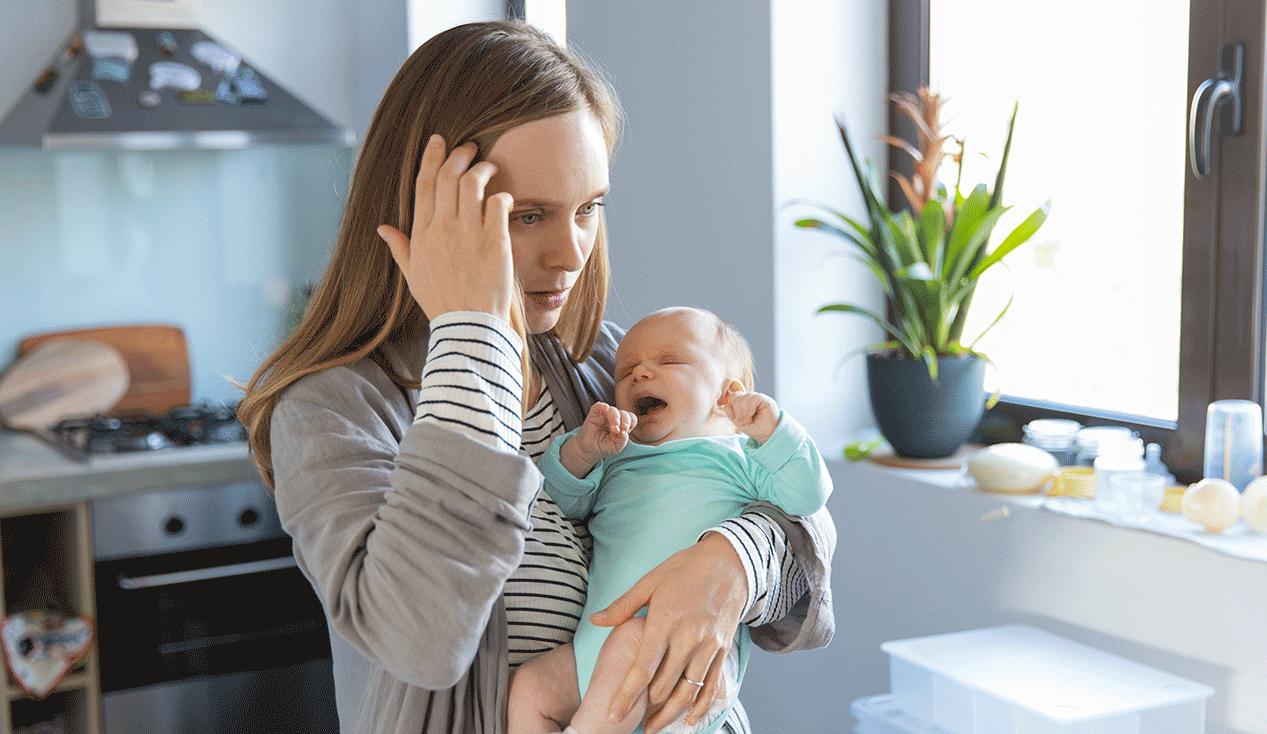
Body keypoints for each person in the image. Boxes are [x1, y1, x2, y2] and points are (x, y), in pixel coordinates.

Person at [235, 20, 836, 734]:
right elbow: (420, 640)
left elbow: (803, 549)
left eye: (590, 209)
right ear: (426, 217)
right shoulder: (335, 409)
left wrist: (732, 563)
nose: (571, 252)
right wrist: (471, 335)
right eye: (528, 216)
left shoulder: (600, 369)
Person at [507, 307, 832, 734]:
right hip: (591, 651)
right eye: (625, 372)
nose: (639, 375)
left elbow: (807, 497)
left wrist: (775, 431)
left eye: (669, 361)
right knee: (531, 688)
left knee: (630, 642)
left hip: (677, 655)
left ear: (726, 393)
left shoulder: (741, 457)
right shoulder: (616, 454)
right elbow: (555, 504)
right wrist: (581, 454)